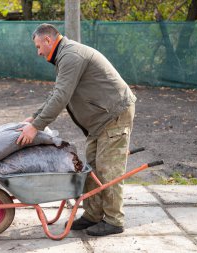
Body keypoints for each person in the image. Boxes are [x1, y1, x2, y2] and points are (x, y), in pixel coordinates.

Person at [16, 23, 137, 236]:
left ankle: (114, 220)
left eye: (38, 46)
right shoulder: (65, 55)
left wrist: (36, 127)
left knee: (108, 170)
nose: (38, 52)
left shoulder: (71, 56)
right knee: (90, 169)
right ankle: (93, 215)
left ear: (48, 40)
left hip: (113, 114)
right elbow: (57, 92)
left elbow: (61, 96)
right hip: (100, 120)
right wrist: (35, 117)